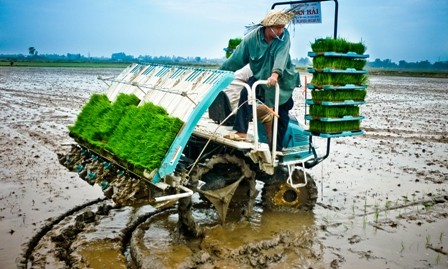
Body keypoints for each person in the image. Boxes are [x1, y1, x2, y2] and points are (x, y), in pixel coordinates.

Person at [220, 9, 301, 151]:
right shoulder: (252, 40)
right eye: (277, 28)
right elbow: (236, 59)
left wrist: (275, 74)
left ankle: (277, 150)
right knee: (246, 95)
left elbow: (280, 57)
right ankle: (241, 131)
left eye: (283, 27)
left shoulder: (284, 37)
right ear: (268, 27)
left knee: (281, 114)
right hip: (261, 77)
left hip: (282, 81)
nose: (281, 31)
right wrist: (219, 74)